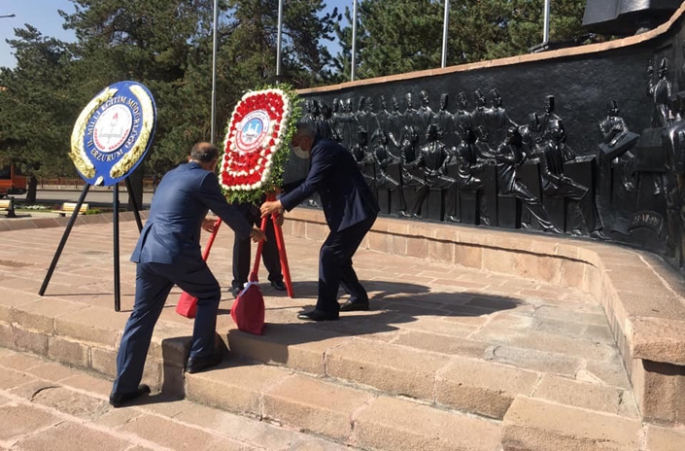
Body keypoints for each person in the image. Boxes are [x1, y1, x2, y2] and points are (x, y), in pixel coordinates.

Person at [109, 142, 266, 408]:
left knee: (141, 317)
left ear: (188, 157)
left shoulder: (171, 174)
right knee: (209, 293)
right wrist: (251, 231)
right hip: (175, 252)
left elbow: (173, 207)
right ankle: (201, 355)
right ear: (214, 163)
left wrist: (198, 220)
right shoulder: (206, 178)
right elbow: (227, 212)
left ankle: (122, 389)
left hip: (148, 252)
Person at [260, 123, 380, 321]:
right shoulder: (322, 148)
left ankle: (326, 309)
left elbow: (311, 185)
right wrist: (283, 188)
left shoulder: (323, 150)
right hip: (354, 213)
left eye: (295, 143)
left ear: (305, 140)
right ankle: (358, 297)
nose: (295, 148)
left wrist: (279, 204)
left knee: (329, 253)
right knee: (338, 256)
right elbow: (311, 180)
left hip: (355, 213)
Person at [231, 199, 286, 298]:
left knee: (270, 240)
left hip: (265, 204)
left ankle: (276, 277)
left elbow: (279, 187)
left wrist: (281, 210)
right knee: (241, 242)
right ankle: (239, 282)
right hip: (241, 204)